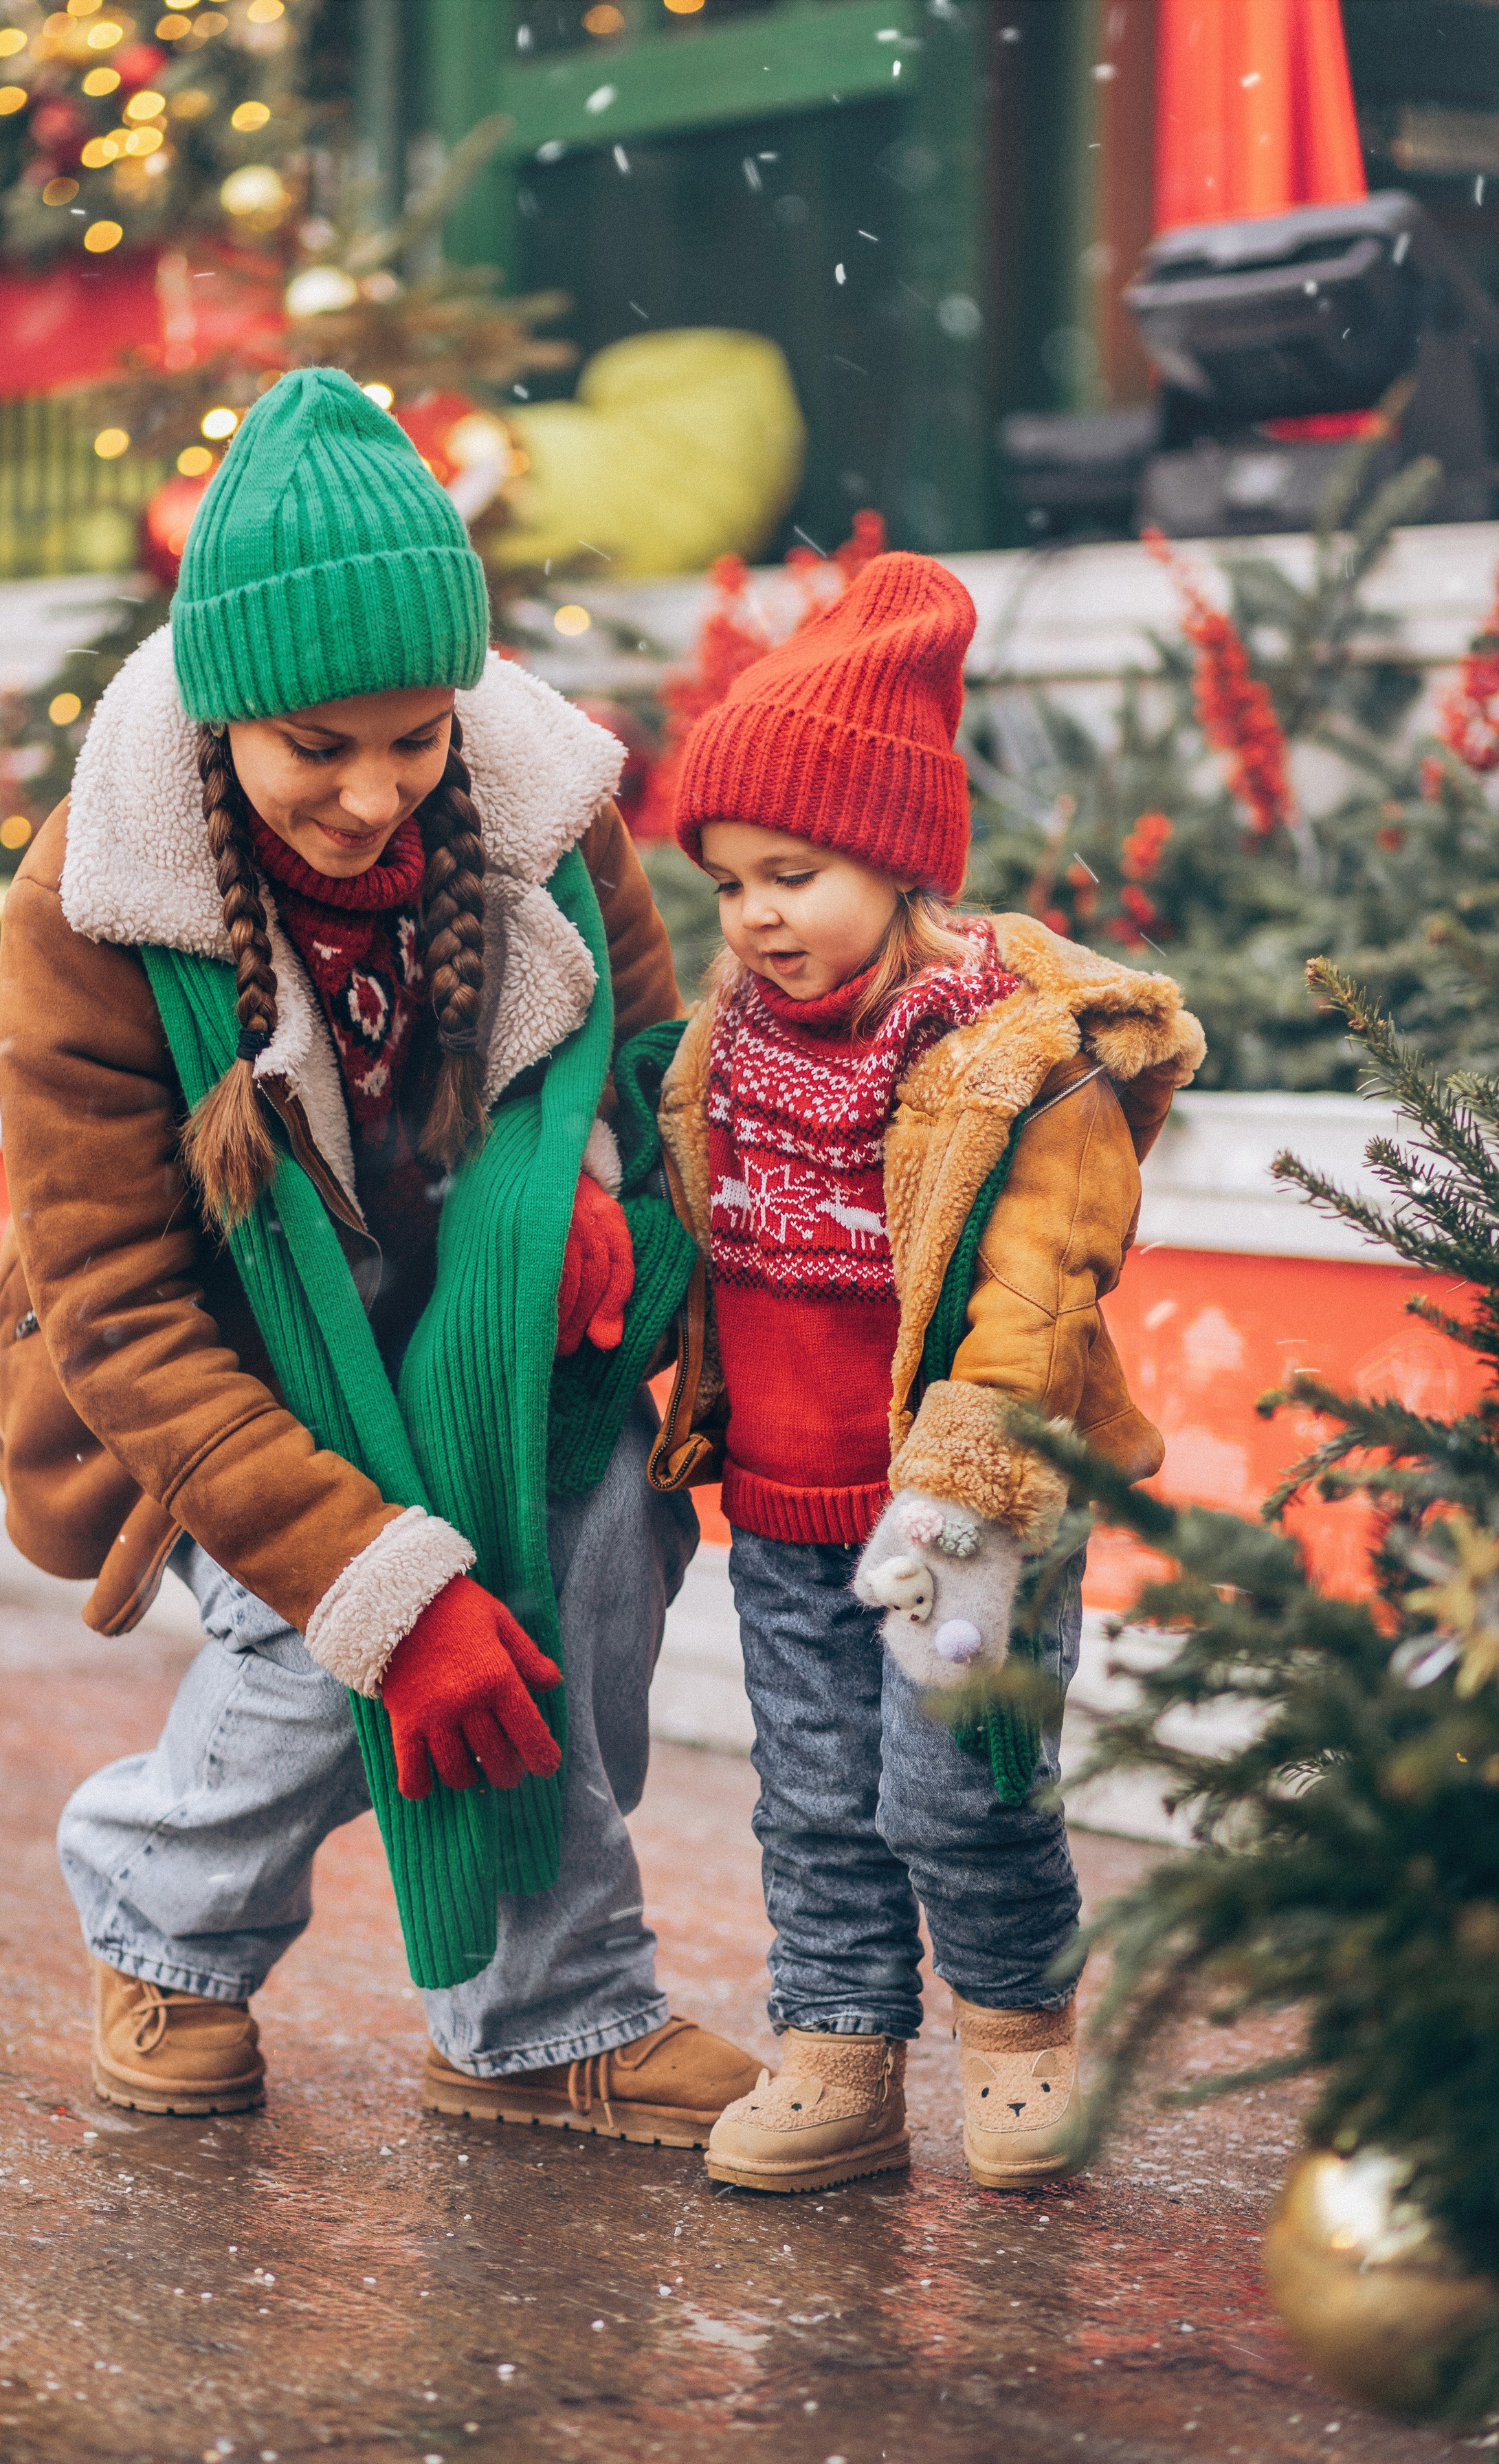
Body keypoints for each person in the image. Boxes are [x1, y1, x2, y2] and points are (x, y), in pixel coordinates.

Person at [0, 366, 757, 2140]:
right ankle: (162, 1925)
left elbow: (652, 1085)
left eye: (415, 738)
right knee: (341, 1651)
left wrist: (592, 1196)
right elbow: (121, 1310)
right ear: (223, 715)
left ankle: (541, 2016)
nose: (371, 793)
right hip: (235, 1375)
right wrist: (382, 1586)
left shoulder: (547, 818)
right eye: (315, 748)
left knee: (594, 1559)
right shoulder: (96, 902)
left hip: (484, 1345)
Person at [647, 551, 1204, 2194]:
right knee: (813, 1798)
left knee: (954, 1788)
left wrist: (962, 1479)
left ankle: (1019, 2027)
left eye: (796, 872)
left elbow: (1037, 1286)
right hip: (783, 1498)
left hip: (965, 1503)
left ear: (896, 865)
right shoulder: (722, 1049)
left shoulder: (1014, 1064)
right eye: (731, 877)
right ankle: (836, 2047)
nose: (756, 915)